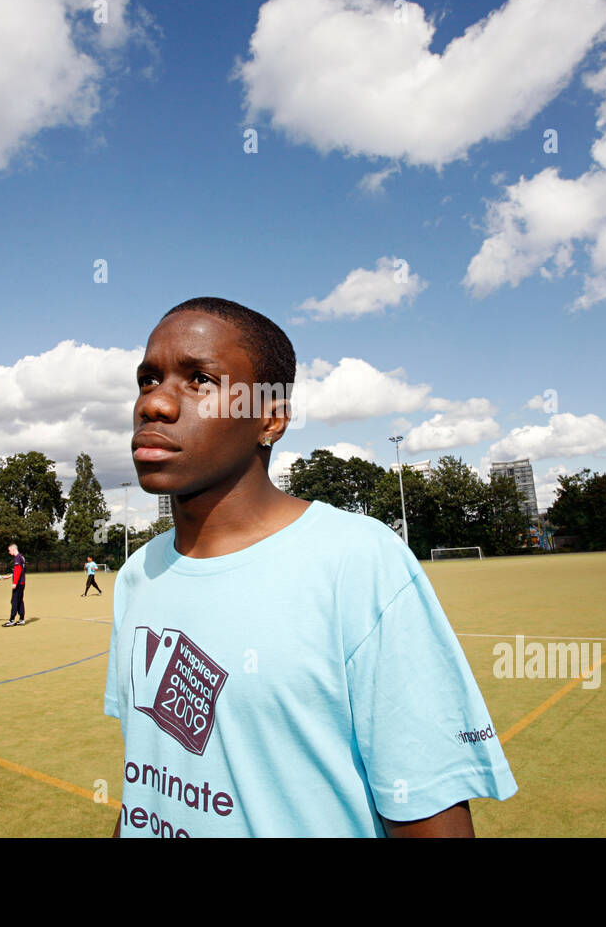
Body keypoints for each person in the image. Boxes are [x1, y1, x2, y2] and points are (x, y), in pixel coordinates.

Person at [104, 298, 516, 837]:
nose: (154, 404)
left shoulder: (356, 560)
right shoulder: (139, 574)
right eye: (148, 379)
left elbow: (429, 820)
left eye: (200, 379)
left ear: (271, 418)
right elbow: (153, 777)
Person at [1, 543, 26, 627]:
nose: (9, 552)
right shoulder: (21, 557)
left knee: (14, 601)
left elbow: (18, 570)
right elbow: (18, 571)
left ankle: (12, 620)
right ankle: (21, 619)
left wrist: (14, 582)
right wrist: (10, 576)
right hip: (22, 583)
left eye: (9, 550)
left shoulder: (17, 558)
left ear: (13, 549)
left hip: (18, 583)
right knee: (19, 600)